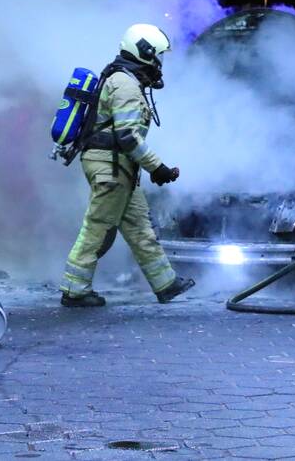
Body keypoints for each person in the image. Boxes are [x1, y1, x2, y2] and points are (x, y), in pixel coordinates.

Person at [60, 24, 195, 307]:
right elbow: (127, 136)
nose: (159, 62)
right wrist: (157, 168)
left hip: (117, 166)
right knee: (97, 227)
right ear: (144, 52)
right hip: (111, 168)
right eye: (158, 55)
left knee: (138, 225)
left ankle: (165, 283)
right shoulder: (126, 85)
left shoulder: (122, 79)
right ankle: (74, 289)